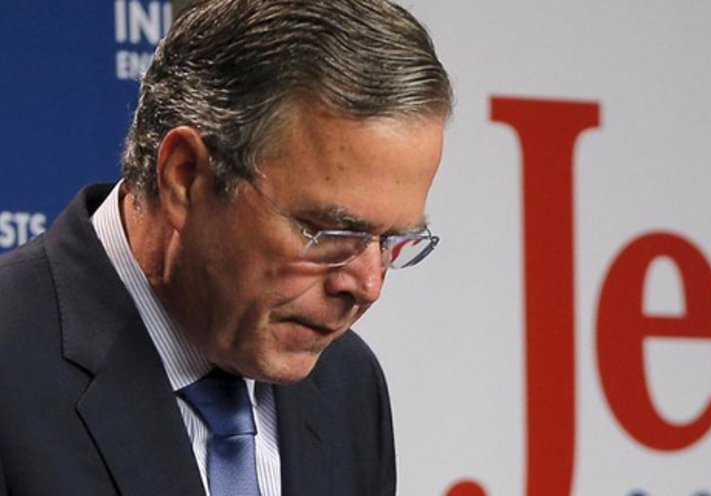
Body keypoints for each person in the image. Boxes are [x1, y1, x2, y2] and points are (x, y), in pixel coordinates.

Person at [0, 0, 451, 494]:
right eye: (332, 232)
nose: (367, 285)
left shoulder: (348, 385)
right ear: (185, 177)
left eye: (390, 241)